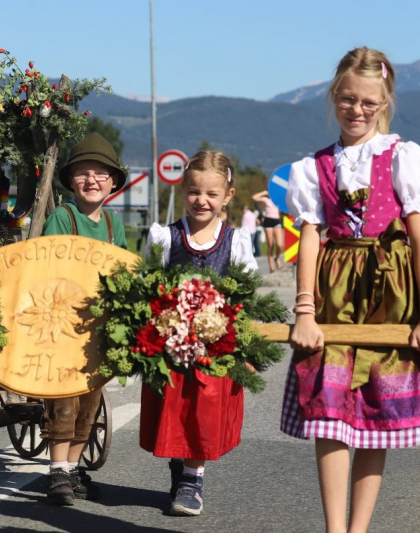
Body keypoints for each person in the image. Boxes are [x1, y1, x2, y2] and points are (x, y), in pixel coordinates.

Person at [280, 47, 420, 533]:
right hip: (333, 294)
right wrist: (305, 311)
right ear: (334, 96)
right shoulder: (314, 166)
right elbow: (308, 239)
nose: (356, 109)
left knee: (377, 416)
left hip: (390, 295)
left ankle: (357, 530)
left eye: (368, 102)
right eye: (347, 99)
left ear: (384, 103)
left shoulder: (403, 157)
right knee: (329, 413)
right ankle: (335, 530)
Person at [140, 150, 257, 517]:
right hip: (172, 344)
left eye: (211, 194)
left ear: (228, 196)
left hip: (215, 349)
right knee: (176, 411)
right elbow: (147, 286)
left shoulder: (235, 241)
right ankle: (181, 464)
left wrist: (247, 348)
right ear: (183, 190)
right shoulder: (166, 237)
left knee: (203, 412)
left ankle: (192, 480)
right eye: (194, 192)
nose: (201, 200)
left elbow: (246, 298)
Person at [39, 132, 127, 506]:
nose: (92, 180)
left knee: (89, 402)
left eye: (101, 173)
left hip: (97, 331)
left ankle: (73, 469)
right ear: (71, 180)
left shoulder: (113, 225)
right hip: (62, 327)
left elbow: (122, 272)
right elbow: (47, 268)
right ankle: (57, 470)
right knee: (64, 401)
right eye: (83, 173)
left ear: (113, 181)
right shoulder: (63, 217)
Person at [251, 190, 283, 271]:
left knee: (279, 244)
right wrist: (264, 192)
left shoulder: (278, 200)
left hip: (277, 221)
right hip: (268, 221)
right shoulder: (266, 199)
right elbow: (254, 197)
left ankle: (277, 258)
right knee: (270, 245)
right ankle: (271, 266)